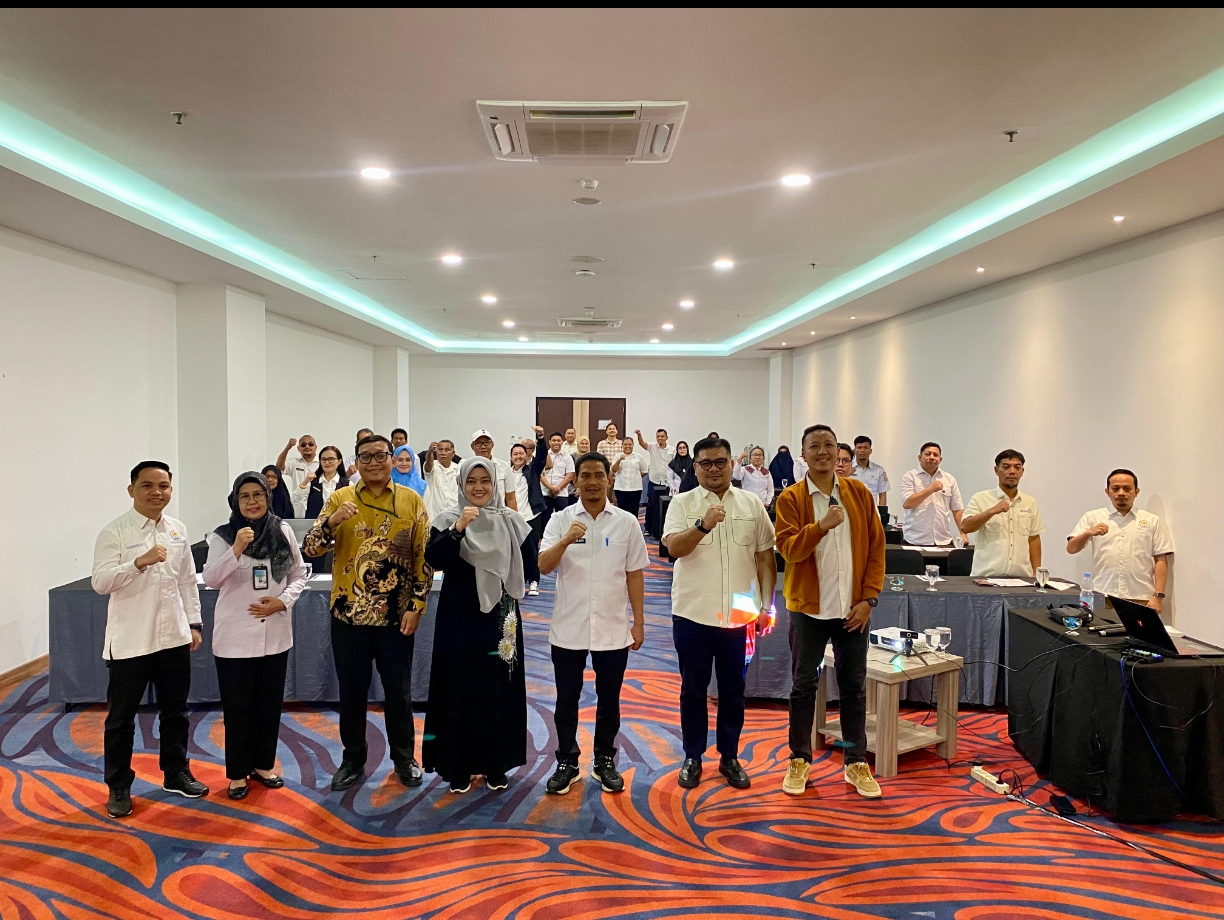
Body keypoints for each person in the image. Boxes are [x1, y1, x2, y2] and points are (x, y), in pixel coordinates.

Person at [303, 434, 431, 791]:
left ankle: (404, 758)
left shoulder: (411, 500)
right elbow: (310, 548)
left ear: (391, 458)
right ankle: (353, 759)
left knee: (398, 692)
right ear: (356, 463)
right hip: (349, 615)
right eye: (366, 457)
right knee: (352, 693)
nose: (374, 462)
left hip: (396, 617)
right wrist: (331, 522)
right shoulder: (340, 498)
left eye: (380, 455)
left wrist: (417, 606)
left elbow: (423, 557)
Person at [774, 425, 885, 799]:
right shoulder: (791, 499)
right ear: (803, 454)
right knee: (803, 685)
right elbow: (789, 550)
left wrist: (869, 600)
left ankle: (855, 761)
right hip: (808, 609)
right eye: (814, 446)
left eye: (828, 445)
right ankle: (799, 758)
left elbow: (876, 549)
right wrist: (820, 526)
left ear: (839, 452)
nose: (822, 452)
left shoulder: (859, 493)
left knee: (853, 686)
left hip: (853, 609)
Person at [91, 461, 207, 818]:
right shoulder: (115, 532)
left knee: (176, 711)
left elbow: (187, 581)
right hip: (132, 640)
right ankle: (118, 785)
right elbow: (100, 582)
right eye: (147, 486)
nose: (156, 492)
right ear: (132, 490)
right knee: (121, 718)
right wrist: (137, 562)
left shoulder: (177, 530)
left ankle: (175, 772)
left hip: (173, 637)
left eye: (163, 486)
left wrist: (194, 624)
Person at [662, 437, 776, 790]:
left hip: (739, 617)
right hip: (693, 614)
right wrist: (703, 525)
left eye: (721, 462)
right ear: (695, 468)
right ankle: (692, 756)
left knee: (733, 691)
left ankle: (729, 756)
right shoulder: (682, 503)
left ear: (732, 465)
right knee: (693, 690)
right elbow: (674, 548)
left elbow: (765, 556)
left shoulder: (751, 503)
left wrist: (766, 605)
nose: (714, 469)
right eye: (706, 463)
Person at [539, 451, 648, 795]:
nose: (592, 482)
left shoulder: (626, 522)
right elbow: (543, 565)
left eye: (598, 475)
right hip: (568, 626)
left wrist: (639, 622)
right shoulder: (560, 519)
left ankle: (604, 759)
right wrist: (566, 540)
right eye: (584, 476)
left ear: (609, 480)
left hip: (613, 627)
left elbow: (634, 574)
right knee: (566, 699)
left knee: (609, 699)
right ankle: (567, 761)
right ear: (575, 481)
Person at [423, 458, 532, 793]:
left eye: (485, 480)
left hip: (500, 616)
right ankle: (457, 765)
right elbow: (434, 559)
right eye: (471, 481)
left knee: (498, 686)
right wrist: (459, 529)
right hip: (459, 616)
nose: (479, 487)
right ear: (461, 485)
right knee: (458, 685)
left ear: (495, 484)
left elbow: (531, 567)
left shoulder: (511, 520)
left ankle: (496, 763)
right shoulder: (448, 519)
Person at [203, 472, 308, 799]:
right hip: (235, 638)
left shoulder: (283, 530)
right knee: (238, 710)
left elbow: (299, 573)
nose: (252, 502)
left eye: (258, 495)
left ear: (267, 497)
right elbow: (211, 579)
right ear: (235, 501)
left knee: (268, 706)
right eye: (245, 496)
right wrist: (236, 548)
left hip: (275, 635)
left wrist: (283, 601)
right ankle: (237, 774)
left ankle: (263, 765)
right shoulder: (223, 536)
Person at [1067, 469, 1173, 614]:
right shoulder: (1093, 517)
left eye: (1127, 488)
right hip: (1103, 595)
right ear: (1107, 491)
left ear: (1136, 491)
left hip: (1141, 597)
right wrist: (1088, 533)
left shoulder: (1151, 520)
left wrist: (1158, 596)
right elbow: (1071, 548)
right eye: (1115, 488)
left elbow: (1161, 559)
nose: (1121, 493)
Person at [960, 450, 1044, 579]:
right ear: (996, 470)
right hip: (986, 578)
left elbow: (1033, 539)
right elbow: (965, 527)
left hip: (1021, 579)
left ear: (1022, 471)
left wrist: (1035, 573)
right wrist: (991, 511)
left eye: (1017, 467)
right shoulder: (980, 498)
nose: (1012, 471)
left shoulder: (1030, 502)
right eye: (1006, 467)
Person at [899, 442, 966, 546]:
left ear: (940, 459)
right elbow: (908, 504)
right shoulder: (909, 477)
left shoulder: (949, 479)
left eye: (935, 455)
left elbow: (957, 509)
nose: (931, 457)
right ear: (919, 457)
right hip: (915, 540)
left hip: (943, 540)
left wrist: (963, 533)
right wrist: (931, 489)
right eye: (927, 454)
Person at [509, 442, 543, 596]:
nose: (518, 456)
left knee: (533, 551)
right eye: (515, 454)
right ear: (511, 457)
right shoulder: (506, 473)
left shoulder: (532, 470)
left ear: (526, 455)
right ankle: (520, 581)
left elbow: (541, 457)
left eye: (521, 453)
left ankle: (534, 581)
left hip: (530, 516)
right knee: (516, 552)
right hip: (513, 518)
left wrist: (540, 438)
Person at [636, 427, 675, 534]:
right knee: (651, 504)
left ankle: (664, 527)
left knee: (666, 505)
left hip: (667, 482)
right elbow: (642, 444)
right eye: (658, 436)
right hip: (654, 481)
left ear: (666, 437)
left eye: (662, 436)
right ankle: (648, 528)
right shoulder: (652, 447)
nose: (660, 438)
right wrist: (639, 435)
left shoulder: (672, 450)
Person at [470, 429, 519, 511]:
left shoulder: (504, 467)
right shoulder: (465, 466)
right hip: (474, 514)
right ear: (472, 446)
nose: (483, 446)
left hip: (498, 514)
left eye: (487, 443)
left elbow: (510, 498)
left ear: (492, 445)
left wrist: (514, 518)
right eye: (478, 443)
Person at [276, 435, 318, 517]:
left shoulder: (322, 464)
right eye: (303, 444)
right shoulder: (294, 463)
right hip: (298, 504)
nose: (307, 446)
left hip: (316, 504)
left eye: (310, 444)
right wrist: (287, 448)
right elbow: (279, 467)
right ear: (298, 448)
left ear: (316, 447)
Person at [302, 445, 348, 520]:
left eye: (331, 459)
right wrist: (304, 482)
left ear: (339, 461)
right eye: (323, 459)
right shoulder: (312, 483)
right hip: (314, 525)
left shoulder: (347, 484)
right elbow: (296, 502)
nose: (327, 462)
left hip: (341, 525)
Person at [422, 439, 460, 522]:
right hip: (434, 518)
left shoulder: (458, 469)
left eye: (447, 450)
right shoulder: (432, 466)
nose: (443, 453)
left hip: (454, 518)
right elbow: (428, 466)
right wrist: (430, 452)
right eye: (440, 450)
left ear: (453, 453)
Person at [611, 437, 648, 519]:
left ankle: (633, 526)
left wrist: (636, 477)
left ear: (633, 445)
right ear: (622, 446)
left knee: (634, 510)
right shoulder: (617, 456)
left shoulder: (638, 457)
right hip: (620, 488)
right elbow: (613, 470)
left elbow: (644, 471)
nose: (627, 446)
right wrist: (620, 460)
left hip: (635, 488)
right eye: (625, 444)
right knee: (621, 510)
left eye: (630, 444)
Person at [851, 436, 890, 512]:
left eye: (866, 448)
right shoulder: (847, 468)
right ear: (854, 450)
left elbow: (882, 494)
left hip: (871, 510)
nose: (862, 450)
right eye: (859, 447)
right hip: (851, 509)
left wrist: (882, 514)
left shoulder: (879, 470)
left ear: (870, 451)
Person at [542, 431, 576, 515]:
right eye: (554, 440)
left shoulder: (567, 457)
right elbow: (540, 474)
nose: (556, 442)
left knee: (562, 519)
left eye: (558, 440)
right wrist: (551, 488)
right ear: (549, 442)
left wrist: (557, 489)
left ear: (562, 442)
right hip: (545, 492)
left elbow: (569, 476)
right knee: (545, 520)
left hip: (562, 493)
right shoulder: (543, 456)